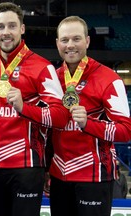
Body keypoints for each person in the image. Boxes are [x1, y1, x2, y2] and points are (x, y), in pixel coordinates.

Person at [0, 2, 69, 216]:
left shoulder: (42, 67)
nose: (6, 32)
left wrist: (24, 108)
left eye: (12, 26)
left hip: (26, 166)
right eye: (0, 27)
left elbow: (61, 117)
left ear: (22, 28)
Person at [48, 15, 131, 216]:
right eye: (65, 40)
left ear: (87, 41)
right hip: (59, 175)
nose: (70, 45)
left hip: (94, 175)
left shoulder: (108, 79)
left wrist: (88, 124)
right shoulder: (51, 79)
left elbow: (125, 131)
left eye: (76, 39)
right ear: (58, 43)